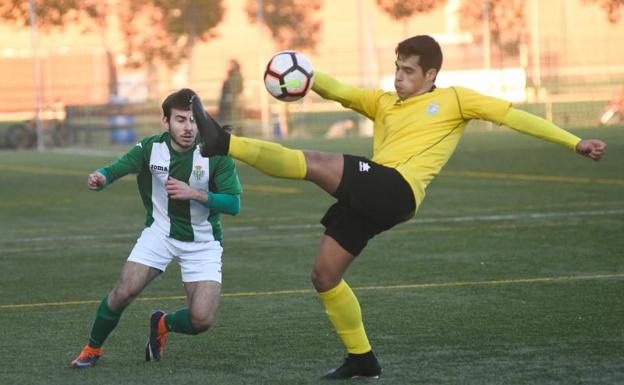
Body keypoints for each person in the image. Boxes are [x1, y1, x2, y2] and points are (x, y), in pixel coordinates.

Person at [190, 35, 607, 380]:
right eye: (397, 68)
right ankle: (362, 358)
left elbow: (515, 117)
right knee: (324, 275)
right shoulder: (385, 103)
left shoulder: (457, 100)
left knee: (315, 161)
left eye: (408, 71)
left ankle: (223, 143)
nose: (399, 77)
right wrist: (309, 74)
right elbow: (343, 93)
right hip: (377, 194)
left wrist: (574, 142)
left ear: (431, 75)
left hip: (398, 189)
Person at [70, 88, 242, 368]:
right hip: (160, 234)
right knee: (123, 292)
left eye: (193, 120)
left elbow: (234, 204)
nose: (188, 128)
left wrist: (196, 194)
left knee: (202, 320)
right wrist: (100, 177)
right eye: (180, 120)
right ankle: (92, 349)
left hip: (203, 242)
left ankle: (163, 324)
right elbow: (116, 168)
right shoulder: (151, 148)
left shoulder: (216, 153)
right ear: (166, 122)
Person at [217, 59, 245, 133]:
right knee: (228, 121)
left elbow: (238, 90)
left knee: (234, 121)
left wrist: (231, 96)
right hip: (227, 103)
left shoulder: (236, 76)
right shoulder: (230, 75)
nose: (228, 66)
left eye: (230, 64)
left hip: (232, 104)